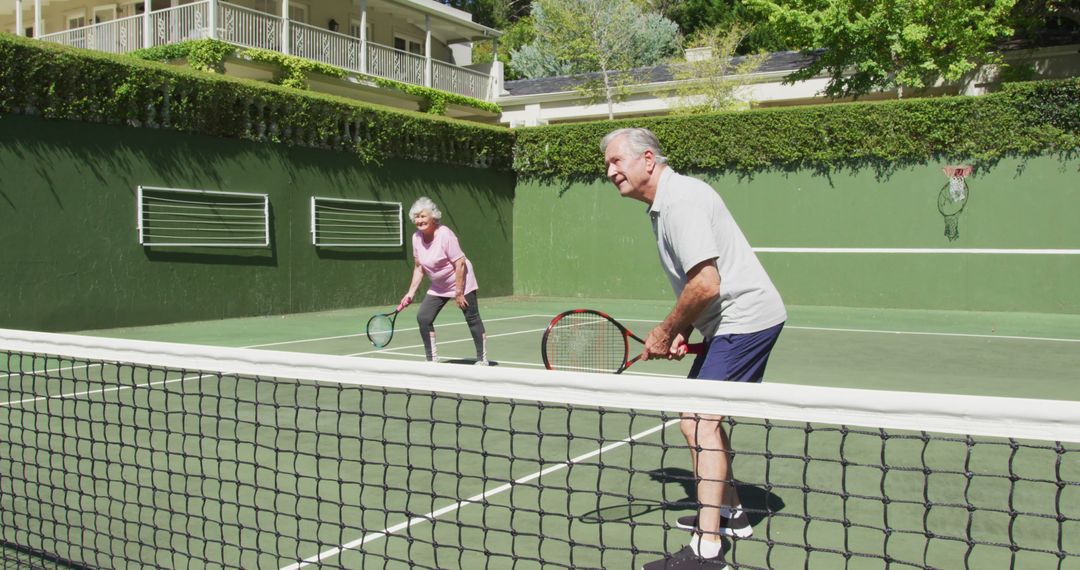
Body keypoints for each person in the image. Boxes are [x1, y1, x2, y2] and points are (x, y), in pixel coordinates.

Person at [601, 128, 786, 570]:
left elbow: (707, 283)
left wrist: (667, 330)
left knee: (698, 422)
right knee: (698, 419)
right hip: (728, 320)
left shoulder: (679, 200)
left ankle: (707, 549)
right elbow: (701, 287)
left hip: (746, 319)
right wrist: (686, 327)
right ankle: (732, 512)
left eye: (616, 162)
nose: (610, 172)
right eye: (607, 165)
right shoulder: (666, 203)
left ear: (648, 159)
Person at [399, 197, 489, 365]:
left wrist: (459, 292)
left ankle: (482, 359)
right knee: (423, 318)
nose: (420, 220)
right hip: (439, 285)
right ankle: (432, 360)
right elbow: (419, 268)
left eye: (423, 216)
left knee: (472, 317)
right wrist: (410, 293)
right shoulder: (416, 238)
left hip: (462, 279)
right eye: (417, 217)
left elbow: (460, 263)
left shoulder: (445, 234)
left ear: (433, 217)